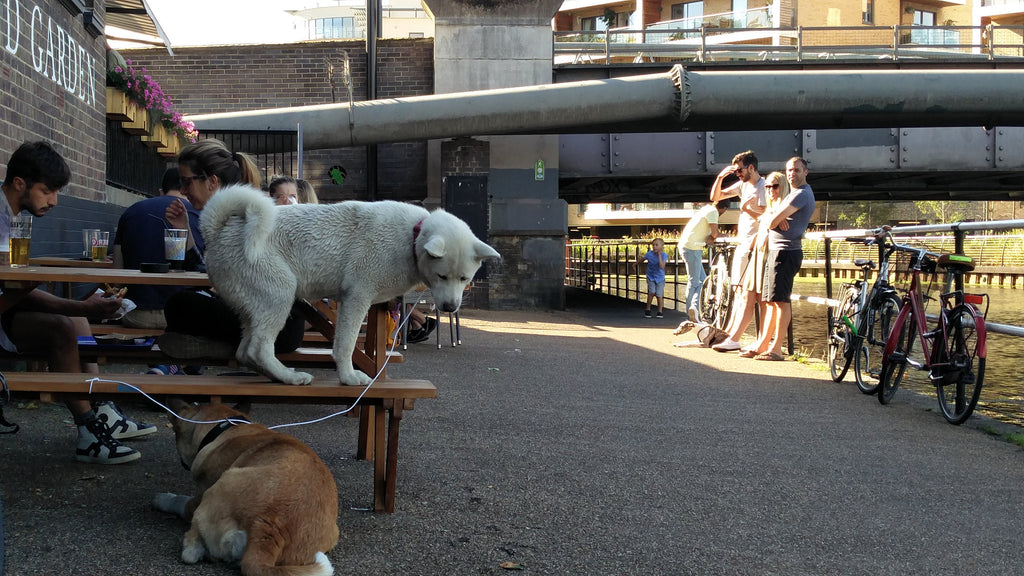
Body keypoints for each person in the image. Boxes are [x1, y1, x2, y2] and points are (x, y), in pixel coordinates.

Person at [1, 141, 153, 464]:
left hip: (8, 310)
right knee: (62, 326)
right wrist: (78, 305)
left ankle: (101, 410)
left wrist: (80, 309)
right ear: (19, 184)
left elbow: (15, 285)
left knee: (79, 321)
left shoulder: (11, 215)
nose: (54, 201)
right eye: (47, 191)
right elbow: (12, 287)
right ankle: (87, 432)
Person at [160, 139, 305, 359]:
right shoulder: (231, 213)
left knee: (178, 305)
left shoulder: (241, 217)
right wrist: (185, 230)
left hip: (277, 327)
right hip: (271, 320)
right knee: (182, 304)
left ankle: (224, 349)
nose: (182, 190)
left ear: (212, 182)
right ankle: (217, 348)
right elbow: (211, 273)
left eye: (187, 182)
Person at [112, 167, 204, 330]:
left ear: (161, 191)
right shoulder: (200, 214)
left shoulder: (131, 212)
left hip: (136, 314)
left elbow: (117, 279)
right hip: (186, 316)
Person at [744, 157, 816, 361]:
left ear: (806, 172)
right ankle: (763, 344)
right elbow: (769, 217)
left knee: (781, 301)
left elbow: (770, 221)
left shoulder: (801, 194)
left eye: (796, 170)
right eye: (789, 170)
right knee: (772, 301)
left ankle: (776, 349)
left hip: (786, 252)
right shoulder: (793, 194)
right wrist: (773, 217)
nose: (792, 173)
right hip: (776, 251)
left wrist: (774, 218)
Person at [709, 151, 766, 351]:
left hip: (753, 246)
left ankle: (744, 338)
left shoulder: (763, 187)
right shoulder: (743, 186)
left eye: (740, 169)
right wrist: (721, 177)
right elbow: (715, 196)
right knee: (740, 291)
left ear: (751, 167)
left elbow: (767, 216)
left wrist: (756, 241)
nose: (738, 174)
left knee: (752, 294)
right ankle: (731, 335)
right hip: (743, 244)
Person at [677, 202, 728, 322]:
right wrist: (724, 235)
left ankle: (693, 311)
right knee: (695, 282)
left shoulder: (706, 208)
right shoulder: (714, 212)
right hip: (693, 248)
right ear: (724, 208)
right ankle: (692, 310)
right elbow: (715, 234)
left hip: (688, 246)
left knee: (702, 280)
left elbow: (710, 235)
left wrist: (711, 237)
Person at [634, 237, 668, 318]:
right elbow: (643, 259)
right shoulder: (649, 254)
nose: (654, 247)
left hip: (660, 277)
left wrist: (659, 255)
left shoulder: (664, 255)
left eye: (657, 245)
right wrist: (636, 264)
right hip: (651, 276)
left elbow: (661, 266)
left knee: (659, 294)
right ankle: (648, 309)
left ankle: (660, 311)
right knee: (652, 292)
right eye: (653, 245)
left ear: (662, 247)